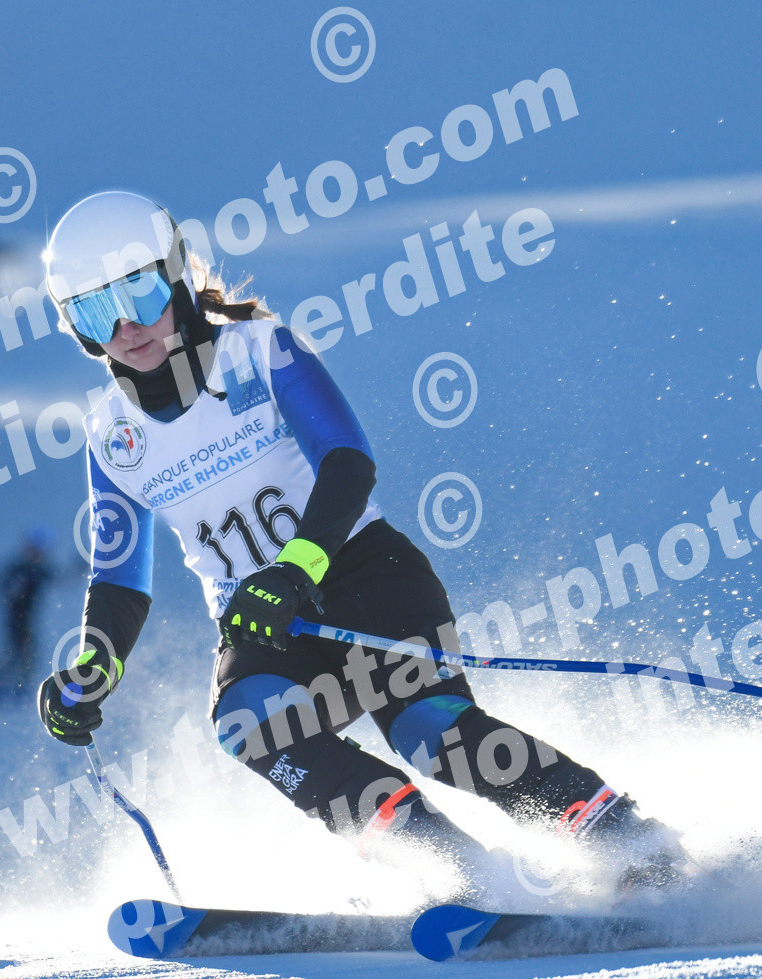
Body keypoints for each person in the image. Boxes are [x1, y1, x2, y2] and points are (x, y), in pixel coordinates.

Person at [35, 191, 688, 896]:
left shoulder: (262, 351)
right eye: (96, 311)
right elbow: (119, 579)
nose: (126, 325)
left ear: (175, 277)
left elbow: (347, 462)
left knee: (430, 733)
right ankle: (462, 873)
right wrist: (93, 667)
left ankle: (628, 839)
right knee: (249, 722)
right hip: (262, 622)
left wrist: (294, 570)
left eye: (139, 292)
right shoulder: (112, 436)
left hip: (364, 577)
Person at [0, 527, 57, 697]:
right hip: (15, 619)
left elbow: (60, 578)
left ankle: (21, 686)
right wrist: (13, 593)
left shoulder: (38, 570)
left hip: (27, 620)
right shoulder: (19, 568)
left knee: (27, 654)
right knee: (13, 652)